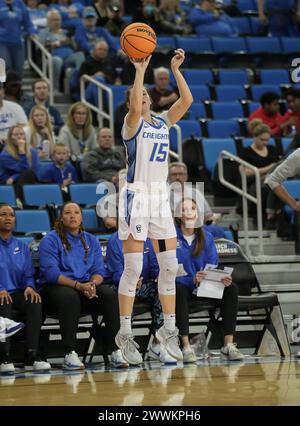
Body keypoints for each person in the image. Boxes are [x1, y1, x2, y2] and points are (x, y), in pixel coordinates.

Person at [115, 48, 193, 365]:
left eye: (147, 94)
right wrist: (138, 70)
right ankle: (125, 335)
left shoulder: (162, 122)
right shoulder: (130, 125)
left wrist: (175, 70)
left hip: (160, 198)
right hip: (136, 198)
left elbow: (186, 102)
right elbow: (134, 105)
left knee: (170, 267)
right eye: (140, 95)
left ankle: (168, 332)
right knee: (133, 270)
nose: (144, 97)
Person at [39, 202, 126, 369]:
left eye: (76, 212)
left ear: (81, 217)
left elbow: (99, 270)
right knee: (69, 297)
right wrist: (79, 286)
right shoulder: (50, 240)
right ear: (61, 217)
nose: (72, 216)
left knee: (108, 295)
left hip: (85, 288)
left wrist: (92, 284)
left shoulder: (91, 240)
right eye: (67, 213)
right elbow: (51, 274)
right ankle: (70, 353)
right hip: (57, 289)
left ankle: (116, 350)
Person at [175, 197, 244, 362]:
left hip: (205, 286)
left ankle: (228, 344)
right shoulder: (170, 237)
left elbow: (212, 265)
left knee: (231, 288)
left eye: (192, 208)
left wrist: (220, 279)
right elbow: (170, 270)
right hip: (182, 287)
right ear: (178, 215)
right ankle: (185, 346)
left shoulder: (207, 236)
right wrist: (191, 279)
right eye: (184, 209)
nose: (189, 213)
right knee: (177, 290)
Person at [106, 231, 177, 363]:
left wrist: (160, 276)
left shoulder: (149, 239)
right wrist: (131, 280)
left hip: (143, 284)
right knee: (124, 293)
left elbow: (156, 267)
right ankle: (124, 346)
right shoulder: (115, 240)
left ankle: (158, 344)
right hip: (121, 284)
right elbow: (115, 272)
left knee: (162, 290)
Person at [0, 203, 51, 373]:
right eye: (3, 214)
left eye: (11, 215)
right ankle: (4, 357)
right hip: (1, 294)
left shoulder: (21, 246)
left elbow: (28, 274)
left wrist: (29, 286)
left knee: (34, 301)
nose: (8, 218)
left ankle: (32, 354)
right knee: (4, 302)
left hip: (17, 292)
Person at [239, 119, 280, 228]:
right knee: (267, 185)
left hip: (271, 180)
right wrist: (267, 169)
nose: (265, 143)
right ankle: (266, 218)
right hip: (254, 183)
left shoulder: (272, 149)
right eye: (262, 140)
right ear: (254, 137)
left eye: (267, 140)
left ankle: (277, 219)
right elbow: (244, 172)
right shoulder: (246, 151)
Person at [0, 125, 40, 200]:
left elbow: (35, 171)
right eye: (15, 134)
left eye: (21, 134)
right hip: (9, 185)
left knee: (30, 174)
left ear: (25, 136)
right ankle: (20, 201)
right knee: (28, 173)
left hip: (28, 181)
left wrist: (14, 177)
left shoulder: (33, 151)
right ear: (10, 138)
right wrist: (22, 151)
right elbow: (23, 171)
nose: (19, 136)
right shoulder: (5, 155)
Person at [0, 0, 36, 77]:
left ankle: (17, 88)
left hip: (18, 42)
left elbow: (28, 23)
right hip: (2, 42)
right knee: (6, 66)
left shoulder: (20, 4)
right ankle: (3, 88)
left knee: (19, 68)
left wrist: (32, 32)